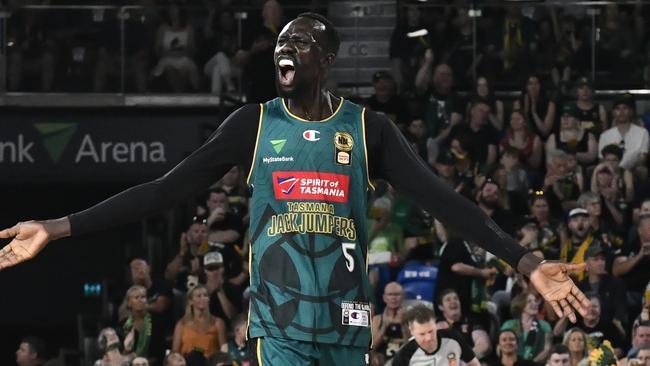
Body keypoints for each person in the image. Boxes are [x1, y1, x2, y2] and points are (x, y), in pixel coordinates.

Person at [0, 12, 590, 365]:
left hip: (349, 318)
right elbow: (164, 190)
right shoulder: (253, 125)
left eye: (301, 42)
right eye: (281, 42)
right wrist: (57, 227)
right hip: (278, 325)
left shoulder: (368, 129)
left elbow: (444, 201)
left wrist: (526, 260)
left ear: (328, 58)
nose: (286, 48)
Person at [391, 304, 480, 366]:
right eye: (422, 334)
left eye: (431, 331)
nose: (428, 338)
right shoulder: (404, 355)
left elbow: (474, 364)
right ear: (411, 331)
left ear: (435, 325)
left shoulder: (454, 339)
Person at [172, 285, 226, 361]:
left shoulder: (218, 323)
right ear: (190, 301)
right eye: (199, 296)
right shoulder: (181, 324)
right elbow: (175, 352)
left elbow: (223, 350)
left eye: (205, 295)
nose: (203, 298)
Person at [371, 282, 406, 359]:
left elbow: (413, 347)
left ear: (403, 297)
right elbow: (372, 347)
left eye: (397, 294)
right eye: (390, 294)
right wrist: (384, 326)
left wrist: (403, 324)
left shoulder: (410, 318)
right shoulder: (377, 319)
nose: (393, 298)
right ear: (384, 298)